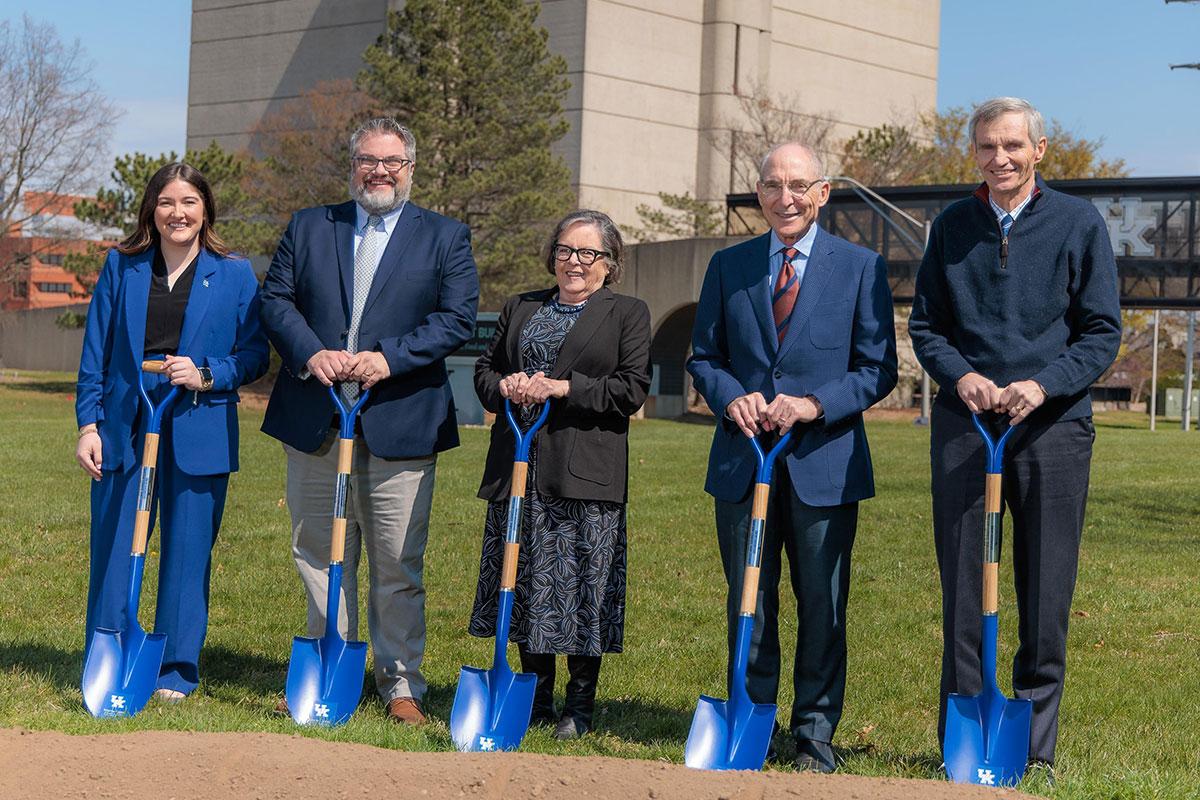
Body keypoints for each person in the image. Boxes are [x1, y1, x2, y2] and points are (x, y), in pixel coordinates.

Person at [908, 97, 1121, 774]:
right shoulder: (952, 227)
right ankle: (967, 742)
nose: (999, 159)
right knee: (967, 590)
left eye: (1012, 146)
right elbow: (926, 327)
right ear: (973, 153)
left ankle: (1034, 750)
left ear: (1040, 150)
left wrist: (1045, 384)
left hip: (1053, 430)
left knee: (1043, 589)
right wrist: (962, 376)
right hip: (967, 430)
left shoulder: (1078, 223)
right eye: (986, 147)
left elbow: (1101, 332)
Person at [260, 117, 479, 724]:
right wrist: (312, 352)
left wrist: (390, 358)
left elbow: (457, 319)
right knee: (319, 554)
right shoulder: (310, 225)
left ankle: (400, 683)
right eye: (367, 160)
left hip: (399, 420)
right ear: (351, 164)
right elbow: (274, 300)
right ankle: (330, 669)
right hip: (316, 418)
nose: (378, 171)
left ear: (410, 168)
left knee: (396, 561)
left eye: (391, 162)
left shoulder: (444, 236)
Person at [687, 142, 897, 772]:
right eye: (774, 186)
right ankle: (752, 720)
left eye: (799, 185)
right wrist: (732, 400)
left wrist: (812, 404)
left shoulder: (860, 267)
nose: (787, 198)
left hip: (823, 463)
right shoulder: (730, 266)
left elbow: (876, 368)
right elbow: (704, 357)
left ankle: (813, 731)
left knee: (823, 602)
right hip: (743, 460)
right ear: (760, 194)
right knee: (749, 598)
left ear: (823, 192)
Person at [75, 162, 269, 702]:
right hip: (125, 425)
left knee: (187, 555)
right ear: (151, 211)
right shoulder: (123, 265)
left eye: (188, 202)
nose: (177, 213)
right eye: (166, 203)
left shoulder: (233, 273)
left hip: (198, 427)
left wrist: (207, 373)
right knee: (115, 546)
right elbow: (96, 351)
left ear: (205, 209)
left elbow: (254, 354)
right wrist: (88, 424)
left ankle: (174, 671)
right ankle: (107, 652)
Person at [469, 209, 651, 740]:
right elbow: (485, 369)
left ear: (609, 264)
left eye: (588, 254)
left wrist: (561, 388)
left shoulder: (627, 313)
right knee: (523, 582)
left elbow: (630, 389)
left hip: (585, 472)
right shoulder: (522, 306)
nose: (575, 262)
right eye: (566, 251)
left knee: (582, 588)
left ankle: (579, 706)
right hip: (520, 465)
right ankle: (536, 695)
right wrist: (504, 387)